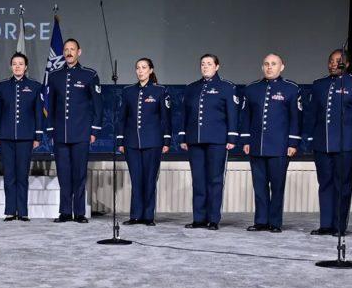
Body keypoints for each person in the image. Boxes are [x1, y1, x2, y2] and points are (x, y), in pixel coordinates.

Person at [302, 49, 352, 237]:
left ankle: (339, 226)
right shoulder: (319, 85)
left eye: (338, 61)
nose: (333, 64)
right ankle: (326, 224)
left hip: (346, 144)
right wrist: (309, 140)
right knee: (324, 184)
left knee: (343, 185)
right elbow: (311, 116)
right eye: (330, 60)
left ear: (347, 64)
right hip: (322, 143)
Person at [239, 54, 301, 233]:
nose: (269, 67)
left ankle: (275, 222)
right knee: (259, 186)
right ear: (262, 67)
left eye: (274, 64)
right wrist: (246, 140)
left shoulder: (291, 89)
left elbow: (295, 119)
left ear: (282, 67)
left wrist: (293, 143)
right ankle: (261, 221)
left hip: (279, 147)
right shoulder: (252, 89)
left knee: (277, 186)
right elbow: (246, 118)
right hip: (257, 145)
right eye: (266, 64)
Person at [177, 54, 238, 230]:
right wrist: (183, 137)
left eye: (209, 64)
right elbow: (185, 115)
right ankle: (199, 218)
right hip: (195, 139)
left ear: (217, 66)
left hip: (217, 140)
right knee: (198, 180)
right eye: (203, 64)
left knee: (215, 180)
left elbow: (232, 114)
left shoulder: (226, 87)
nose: (205, 67)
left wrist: (232, 138)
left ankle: (213, 219)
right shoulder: (191, 88)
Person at [45, 38, 103, 223]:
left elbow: (98, 105)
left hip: (81, 133)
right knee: (63, 173)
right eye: (66, 49)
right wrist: (51, 130)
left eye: (72, 49)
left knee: (79, 173)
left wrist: (93, 130)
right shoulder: (54, 76)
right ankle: (64, 212)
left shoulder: (89, 75)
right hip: (61, 133)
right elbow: (50, 105)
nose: (69, 52)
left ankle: (79, 213)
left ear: (79, 52)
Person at [115, 58, 171, 225]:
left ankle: (148, 216)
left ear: (151, 70)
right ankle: (136, 215)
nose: (140, 71)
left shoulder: (160, 90)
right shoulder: (128, 91)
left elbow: (165, 118)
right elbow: (122, 118)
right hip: (131, 142)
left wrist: (166, 140)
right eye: (138, 68)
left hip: (153, 142)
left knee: (149, 179)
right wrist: (120, 141)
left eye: (144, 68)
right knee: (136, 179)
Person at [0, 52, 44, 221]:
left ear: (26, 67)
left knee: (22, 175)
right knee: (9, 176)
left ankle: (22, 212)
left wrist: (37, 136)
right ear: (11, 66)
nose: (17, 66)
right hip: (6, 137)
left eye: (21, 63)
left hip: (26, 137)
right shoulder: (2, 86)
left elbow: (38, 113)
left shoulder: (35, 86)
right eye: (14, 63)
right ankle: (9, 211)